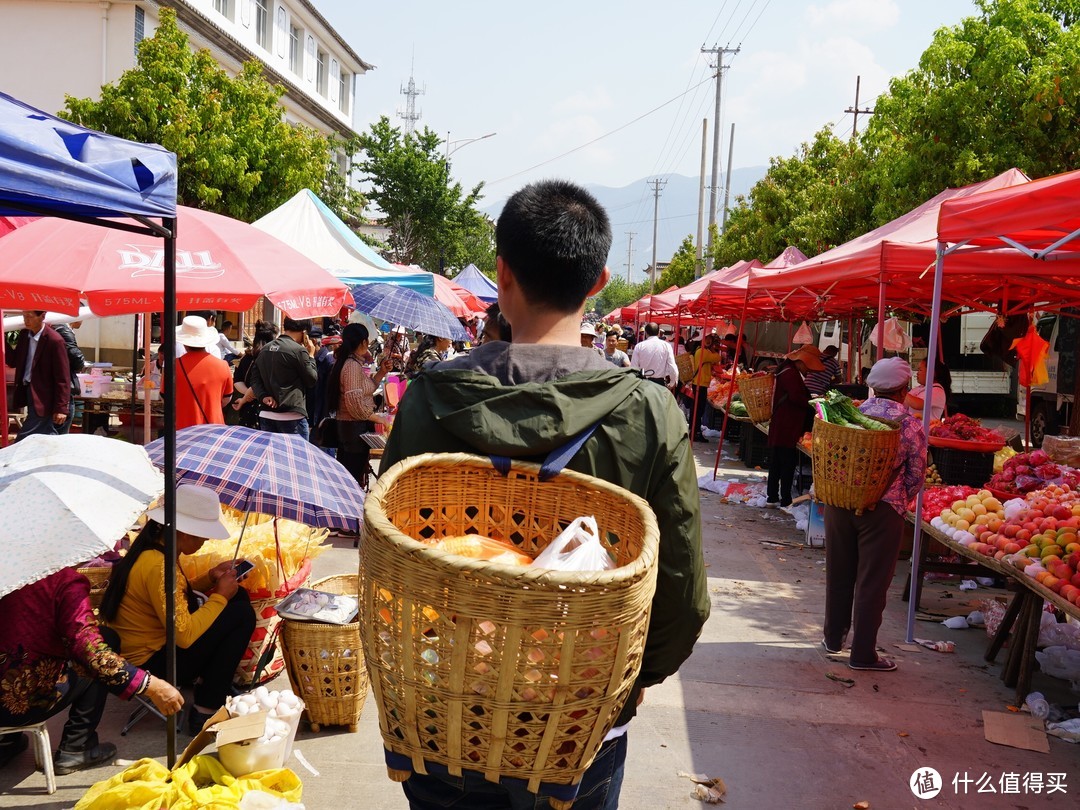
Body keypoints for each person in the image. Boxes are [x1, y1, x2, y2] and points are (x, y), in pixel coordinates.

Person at [382, 179, 709, 809]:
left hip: (448, 707)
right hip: (580, 714)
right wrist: (637, 679)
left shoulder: (428, 398)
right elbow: (683, 592)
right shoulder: (649, 413)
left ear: (501, 272)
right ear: (598, 281)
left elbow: (389, 554)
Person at [101, 484, 256, 734]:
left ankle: (212, 684)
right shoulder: (159, 566)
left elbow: (173, 599)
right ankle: (206, 707)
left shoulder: (154, 553)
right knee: (241, 613)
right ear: (183, 531)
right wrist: (219, 596)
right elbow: (183, 636)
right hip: (151, 662)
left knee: (238, 599)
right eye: (202, 534)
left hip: (154, 647)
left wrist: (211, 578)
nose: (206, 540)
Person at [0, 569, 184, 775]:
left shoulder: (10, 569)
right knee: (104, 646)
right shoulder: (62, 580)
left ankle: (6, 740)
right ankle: (77, 746)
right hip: (16, 703)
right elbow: (90, 650)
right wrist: (150, 685)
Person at [823, 357, 927, 671]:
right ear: (903, 389)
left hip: (840, 504)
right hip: (882, 511)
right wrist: (896, 500)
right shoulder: (909, 425)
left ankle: (832, 639)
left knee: (839, 573)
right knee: (872, 582)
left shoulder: (852, 415)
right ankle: (863, 654)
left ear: (873, 385)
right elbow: (916, 474)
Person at [327, 323, 393, 490]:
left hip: (352, 430)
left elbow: (364, 390)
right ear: (363, 342)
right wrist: (379, 418)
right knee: (351, 479)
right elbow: (355, 404)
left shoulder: (352, 363)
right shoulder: (351, 366)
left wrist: (381, 373)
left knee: (353, 476)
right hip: (353, 431)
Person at [766, 344, 824, 507]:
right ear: (801, 362)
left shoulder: (787, 371)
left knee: (778, 462)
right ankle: (783, 498)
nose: (808, 371)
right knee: (786, 463)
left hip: (784, 425)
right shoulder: (790, 374)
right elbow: (797, 398)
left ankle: (774, 497)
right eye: (808, 367)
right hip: (786, 426)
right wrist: (813, 403)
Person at [6, 310, 70, 441]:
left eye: (30, 317)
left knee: (27, 434)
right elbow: (14, 360)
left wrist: (61, 408)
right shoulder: (25, 335)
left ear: (42, 316)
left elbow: (62, 377)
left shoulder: (55, 341)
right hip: (27, 389)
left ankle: (11, 458)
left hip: (44, 396)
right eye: (24, 317)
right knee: (45, 434)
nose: (26, 320)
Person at [251, 317, 318, 440]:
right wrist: (311, 356)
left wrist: (263, 396)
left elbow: (254, 379)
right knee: (297, 458)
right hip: (292, 416)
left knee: (272, 458)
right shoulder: (299, 350)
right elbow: (311, 379)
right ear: (304, 333)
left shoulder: (265, 349)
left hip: (266, 414)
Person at [173, 316, 233, 430]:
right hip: (214, 426)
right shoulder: (223, 366)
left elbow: (165, 397)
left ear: (184, 343)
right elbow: (226, 399)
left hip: (182, 428)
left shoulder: (173, 366)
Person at [231, 321, 278, 429]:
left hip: (248, 406)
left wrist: (246, 397)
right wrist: (250, 394)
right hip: (266, 407)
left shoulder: (247, 357)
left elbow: (237, 380)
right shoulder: (272, 357)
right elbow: (258, 384)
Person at [52, 320, 86, 434]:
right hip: (62, 391)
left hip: (58, 389)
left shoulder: (57, 328)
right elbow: (76, 358)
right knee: (59, 431)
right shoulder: (63, 330)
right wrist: (80, 364)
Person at [689, 333, 723, 442]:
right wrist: (714, 349)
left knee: (697, 409)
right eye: (706, 339)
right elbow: (717, 357)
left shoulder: (700, 350)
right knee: (698, 410)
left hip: (700, 383)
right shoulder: (703, 352)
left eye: (709, 339)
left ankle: (694, 431)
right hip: (700, 384)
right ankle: (695, 433)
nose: (709, 341)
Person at [630, 322, 679, 388]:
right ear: (658, 332)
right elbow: (672, 365)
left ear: (646, 333)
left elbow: (634, 367)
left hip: (643, 383)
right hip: (659, 384)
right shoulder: (666, 346)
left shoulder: (639, 346)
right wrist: (673, 382)